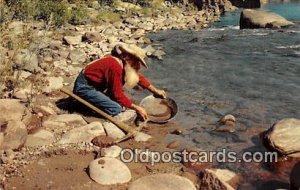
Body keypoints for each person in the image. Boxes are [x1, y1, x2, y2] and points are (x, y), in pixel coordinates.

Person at [73, 43, 166, 121]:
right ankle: (85, 107)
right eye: (137, 61)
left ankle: (92, 101)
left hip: (95, 85)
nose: (138, 65)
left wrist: (155, 91)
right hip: (84, 87)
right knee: (116, 108)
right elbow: (117, 94)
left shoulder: (122, 63)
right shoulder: (115, 66)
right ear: (128, 58)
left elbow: (138, 78)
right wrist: (137, 108)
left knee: (121, 102)